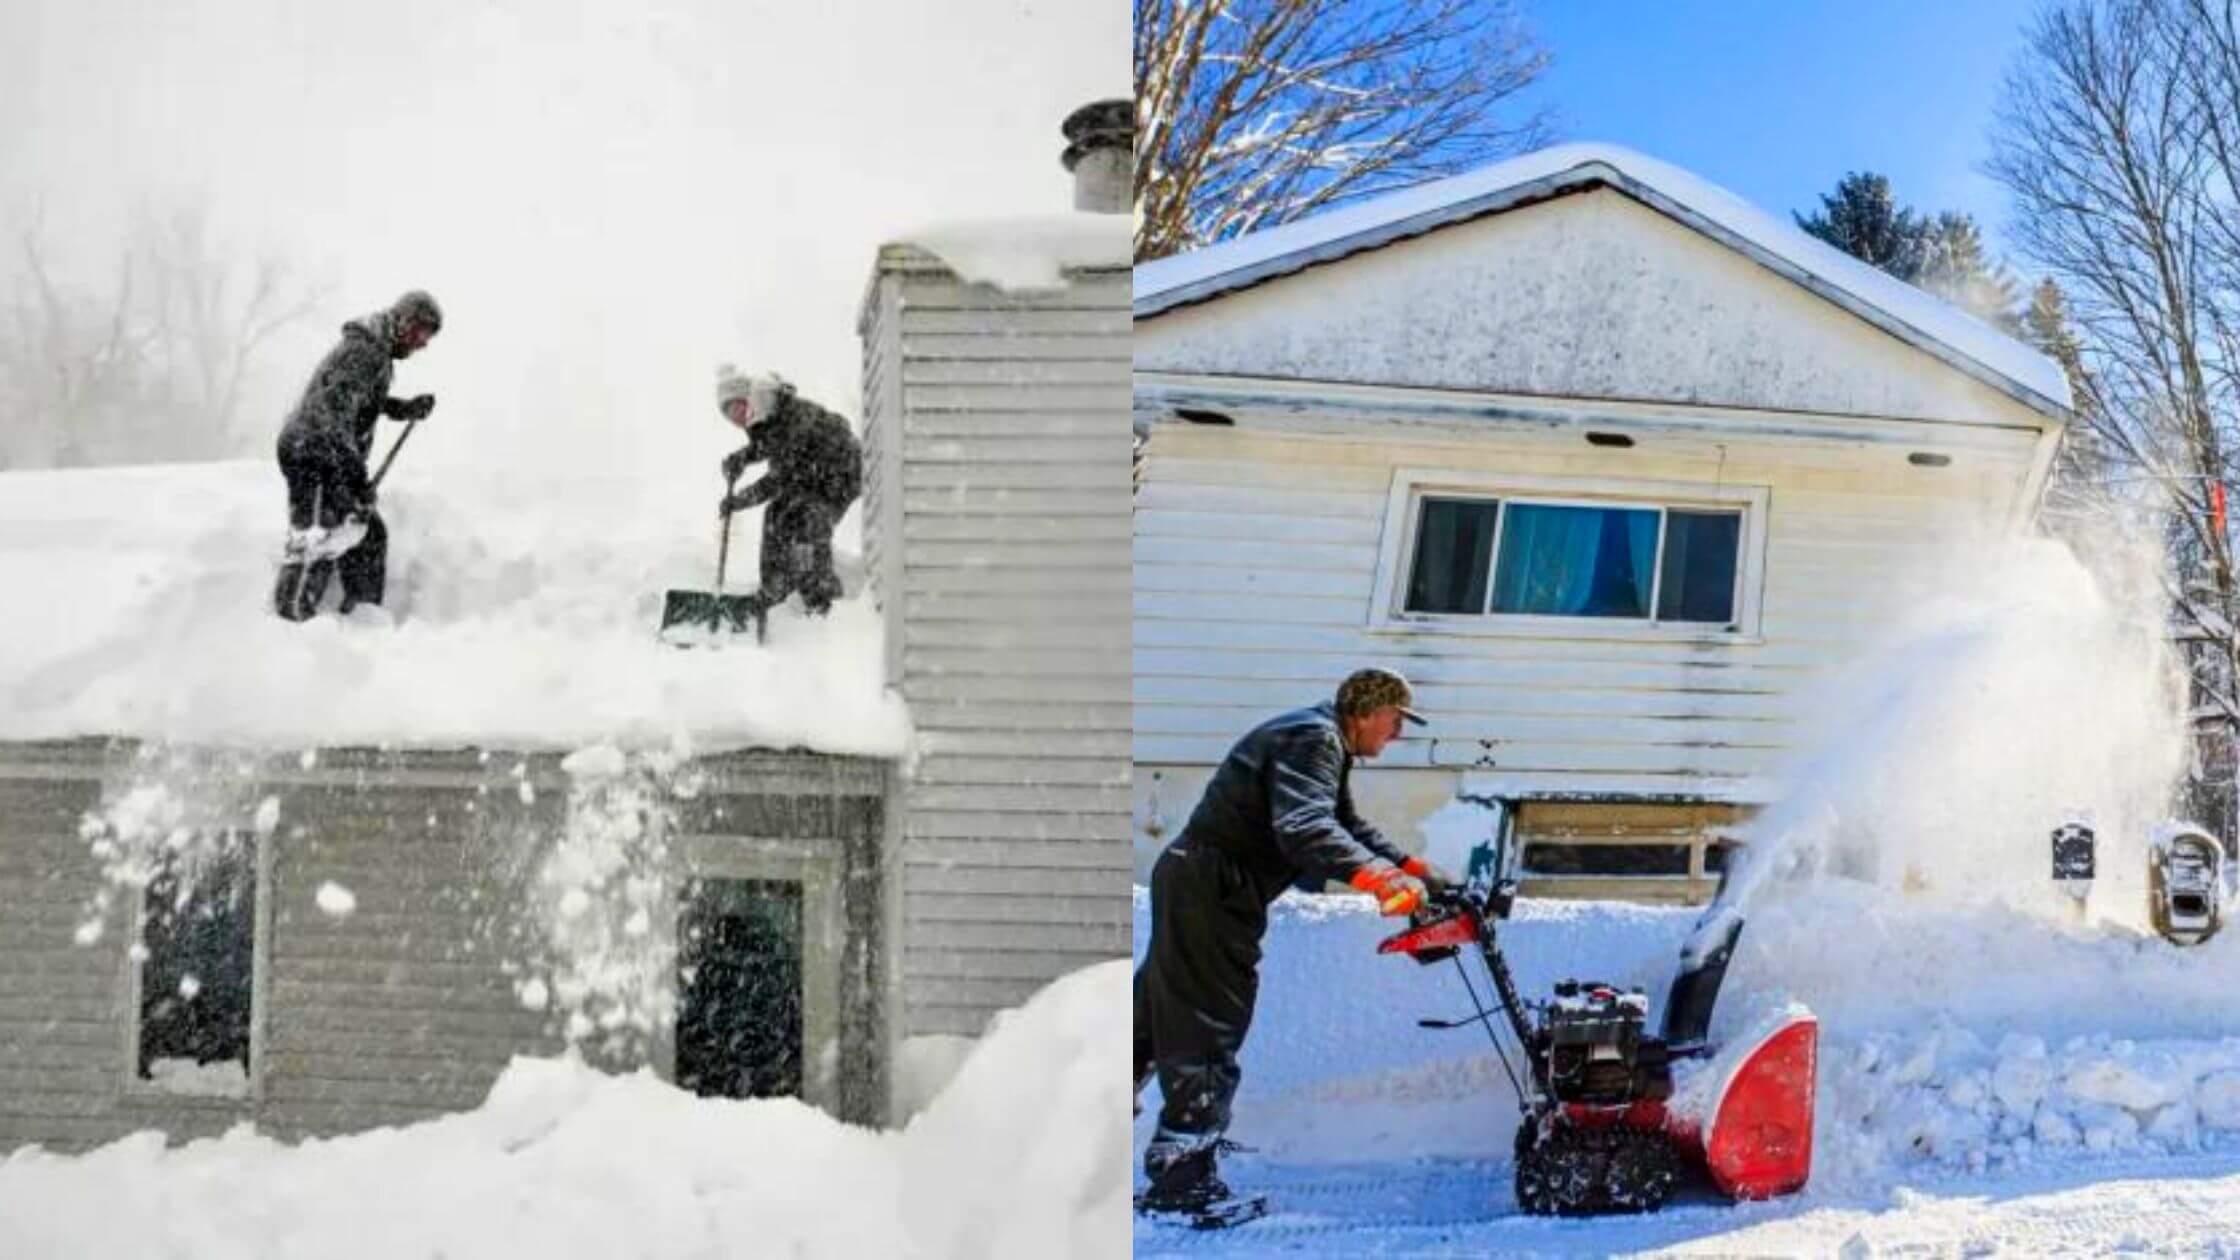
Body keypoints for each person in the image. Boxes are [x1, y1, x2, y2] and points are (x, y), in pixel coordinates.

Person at [1132, 667, 1457, 1222]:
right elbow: (1304, 826)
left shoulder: (1318, 738)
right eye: (1395, 718)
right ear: (1366, 711)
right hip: (1214, 887)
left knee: (1156, 1017)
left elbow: (1344, 825)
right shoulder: (1313, 739)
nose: (1398, 732)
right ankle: (1182, 1177)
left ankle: (1072, 1134)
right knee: (1208, 1022)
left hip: (1201, 880)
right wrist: (1379, 881)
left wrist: (1414, 870)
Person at [272, 290, 441, 621]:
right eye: (421, 332)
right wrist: (356, 477)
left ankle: (362, 620)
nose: (422, 344)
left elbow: (359, 400)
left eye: (428, 337)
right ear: (404, 320)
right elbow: (331, 416)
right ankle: (289, 626)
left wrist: (402, 408)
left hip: (326, 452)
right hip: (314, 452)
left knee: (366, 534)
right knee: (318, 537)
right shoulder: (364, 352)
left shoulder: (373, 350)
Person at [713, 366, 863, 618]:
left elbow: (780, 476)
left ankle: (821, 597)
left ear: (751, 399)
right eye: (729, 415)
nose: (736, 418)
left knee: (809, 519)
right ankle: (775, 588)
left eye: (738, 408)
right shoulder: (770, 419)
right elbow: (766, 445)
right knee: (777, 513)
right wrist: (741, 458)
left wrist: (739, 500)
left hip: (841, 474)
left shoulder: (795, 416)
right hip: (813, 476)